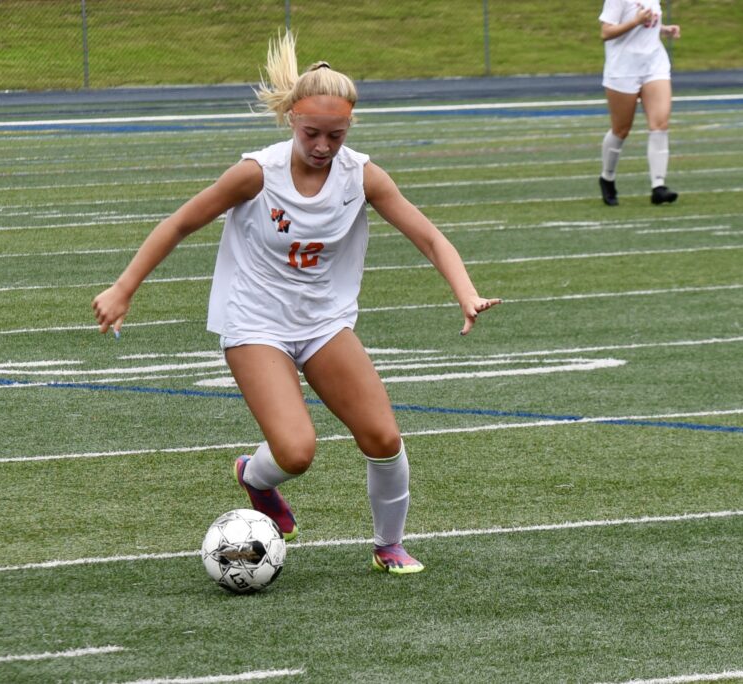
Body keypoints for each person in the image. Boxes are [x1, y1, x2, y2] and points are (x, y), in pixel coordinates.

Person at [92, 32, 500, 576]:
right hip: (255, 321)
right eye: (312, 132)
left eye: (337, 134)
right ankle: (255, 478)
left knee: (383, 436)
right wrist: (124, 288)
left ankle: (389, 546)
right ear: (290, 119)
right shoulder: (257, 174)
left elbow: (428, 236)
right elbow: (181, 222)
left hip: (324, 323)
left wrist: (464, 291)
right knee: (296, 452)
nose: (325, 145)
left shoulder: (363, 176)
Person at [597, 0, 681, 206]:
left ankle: (658, 186)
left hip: (654, 64)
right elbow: (606, 32)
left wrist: (662, 29)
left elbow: (647, 24)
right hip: (623, 69)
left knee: (660, 124)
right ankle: (607, 178)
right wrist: (635, 21)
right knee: (621, 129)